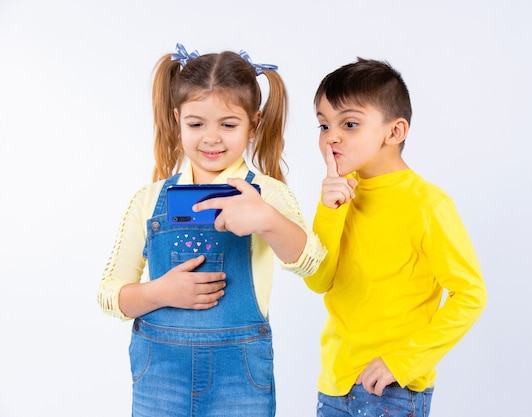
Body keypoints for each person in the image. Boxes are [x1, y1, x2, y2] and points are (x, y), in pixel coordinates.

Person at [97, 43, 326, 417]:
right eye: (196, 123)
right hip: (160, 378)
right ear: (177, 120)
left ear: (254, 124)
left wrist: (266, 218)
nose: (211, 138)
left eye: (229, 124)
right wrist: (161, 291)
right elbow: (110, 295)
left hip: (240, 380)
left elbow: (310, 261)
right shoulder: (149, 198)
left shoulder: (267, 194)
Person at [304, 58, 488, 417]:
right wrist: (330, 210)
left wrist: (402, 362)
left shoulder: (427, 203)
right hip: (334, 385)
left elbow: (470, 294)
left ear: (395, 132)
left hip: (391, 390)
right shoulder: (339, 194)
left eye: (350, 123)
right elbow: (318, 280)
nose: (332, 137)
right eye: (324, 125)